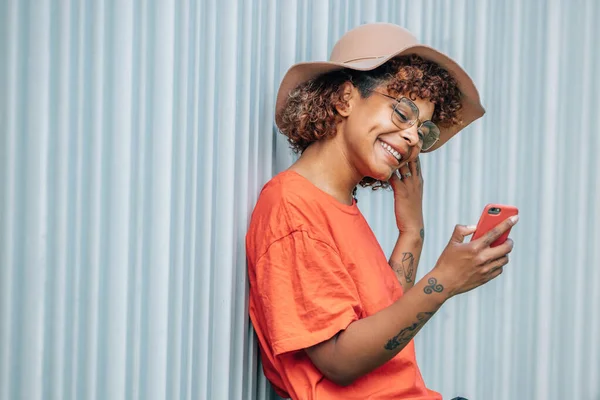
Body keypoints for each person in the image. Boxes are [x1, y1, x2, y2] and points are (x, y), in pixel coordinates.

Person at [246, 23, 517, 400]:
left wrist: (412, 230)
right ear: (344, 99)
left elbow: (382, 326)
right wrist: (444, 283)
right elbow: (339, 361)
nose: (412, 138)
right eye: (403, 113)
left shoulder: (338, 205)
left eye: (422, 131)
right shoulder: (293, 209)